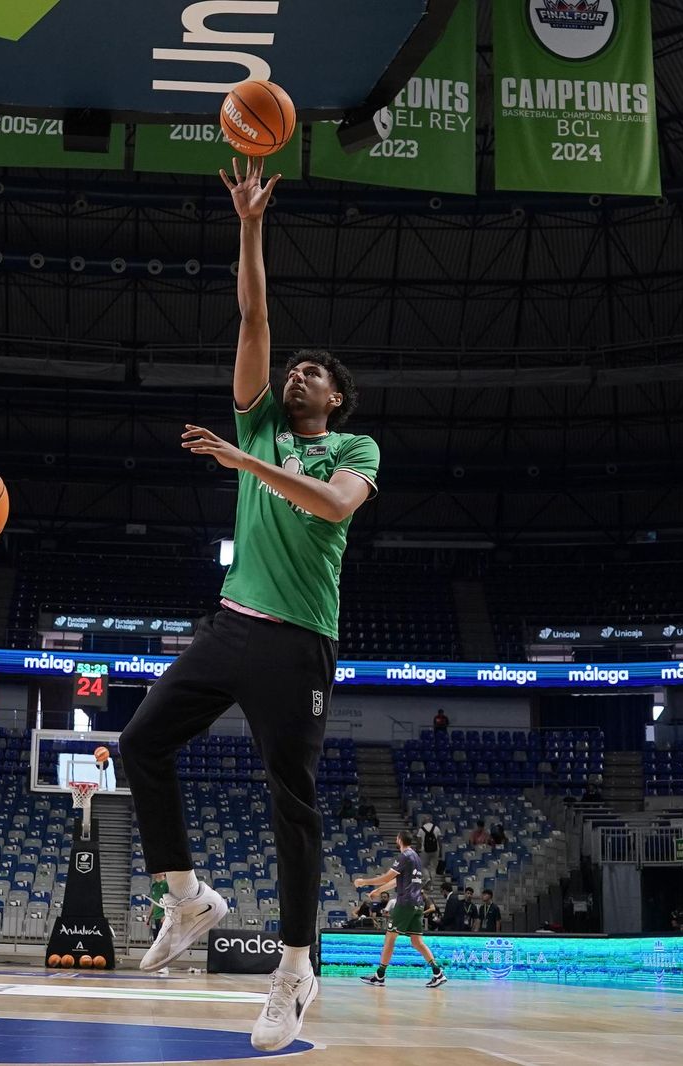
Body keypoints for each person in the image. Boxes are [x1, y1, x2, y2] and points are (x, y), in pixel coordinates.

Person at [118, 155, 379, 1054]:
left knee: (290, 800)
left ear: (335, 398)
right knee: (140, 742)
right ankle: (188, 898)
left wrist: (244, 464)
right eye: (294, 369)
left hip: (300, 642)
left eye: (314, 373)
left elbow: (333, 505)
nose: (298, 374)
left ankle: (295, 971)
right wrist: (249, 223)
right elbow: (253, 313)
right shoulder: (259, 422)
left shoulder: (354, 447)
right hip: (232, 626)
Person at [353, 830, 447, 989]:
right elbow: (396, 881)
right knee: (417, 942)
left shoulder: (405, 856)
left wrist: (364, 882)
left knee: (390, 938)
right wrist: (378, 891)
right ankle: (438, 974)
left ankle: (379, 976)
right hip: (417, 904)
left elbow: (387, 877)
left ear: (398, 840)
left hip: (405, 904)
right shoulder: (416, 857)